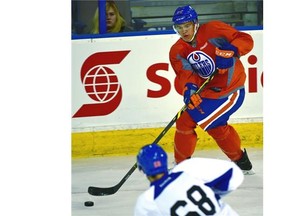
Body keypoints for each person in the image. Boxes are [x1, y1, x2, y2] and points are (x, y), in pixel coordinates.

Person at [169, 5, 255, 174]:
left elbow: (244, 39)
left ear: (195, 23)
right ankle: (242, 163)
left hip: (230, 90)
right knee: (211, 126)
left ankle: (181, 167)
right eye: (179, 27)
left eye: (187, 25)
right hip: (207, 92)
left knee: (187, 121)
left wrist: (232, 50)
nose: (184, 31)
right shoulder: (177, 50)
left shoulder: (213, 30)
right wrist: (189, 90)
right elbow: (185, 74)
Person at [134, 143, 244, 216]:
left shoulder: (147, 201)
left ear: (142, 168)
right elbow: (234, 173)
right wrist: (213, 195)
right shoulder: (188, 170)